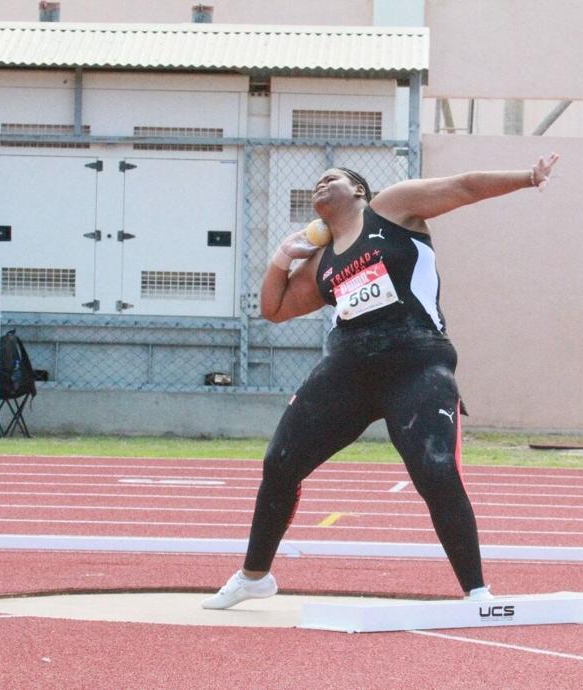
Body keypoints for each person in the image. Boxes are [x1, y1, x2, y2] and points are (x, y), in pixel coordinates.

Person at [203, 154, 560, 609]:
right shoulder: (324, 261)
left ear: (358, 191)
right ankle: (255, 576)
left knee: (435, 470)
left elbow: (466, 183)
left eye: (330, 178)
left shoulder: (392, 208)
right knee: (280, 462)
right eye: (315, 182)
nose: (319, 184)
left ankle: (477, 592)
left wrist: (527, 176)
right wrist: (280, 260)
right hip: (347, 371)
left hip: (415, 362)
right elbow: (274, 309)